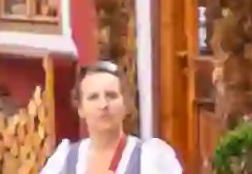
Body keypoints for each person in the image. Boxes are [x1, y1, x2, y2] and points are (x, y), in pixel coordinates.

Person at [46, 57, 187, 174]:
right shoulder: (64, 159)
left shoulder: (150, 157)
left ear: (125, 104)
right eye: (93, 97)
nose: (103, 105)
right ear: (80, 108)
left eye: (111, 96)